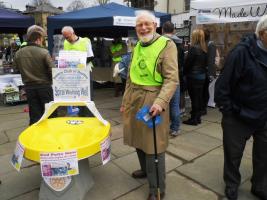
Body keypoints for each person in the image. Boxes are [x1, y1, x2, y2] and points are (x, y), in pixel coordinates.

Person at [120, 11, 178, 200]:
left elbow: (172, 79)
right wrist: (125, 102)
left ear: (155, 24)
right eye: (139, 25)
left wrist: (161, 103)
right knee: (138, 139)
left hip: (153, 100)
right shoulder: (137, 46)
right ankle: (146, 171)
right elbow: (130, 76)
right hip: (134, 98)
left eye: (147, 24)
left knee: (154, 146)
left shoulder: (167, 45)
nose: (143, 28)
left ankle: (157, 189)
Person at [215, 15, 267, 200]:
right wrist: (230, 111)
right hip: (237, 116)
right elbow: (221, 88)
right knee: (233, 155)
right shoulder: (241, 52)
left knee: (263, 156)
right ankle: (231, 185)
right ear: (262, 33)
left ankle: (259, 186)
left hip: (263, 116)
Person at [13, 25, 54, 125]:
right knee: (49, 114)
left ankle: (35, 138)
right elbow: (52, 70)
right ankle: (51, 136)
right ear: (39, 39)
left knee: (34, 114)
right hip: (44, 86)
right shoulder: (44, 52)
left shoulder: (18, 53)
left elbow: (16, 69)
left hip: (29, 88)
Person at [62, 26, 94, 116]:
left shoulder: (85, 41)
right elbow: (65, 56)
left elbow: (91, 57)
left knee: (87, 95)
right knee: (77, 95)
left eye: (68, 37)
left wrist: (79, 63)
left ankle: (89, 116)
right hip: (73, 73)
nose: (67, 39)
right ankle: (80, 114)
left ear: (73, 33)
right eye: (65, 37)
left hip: (85, 72)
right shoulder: (65, 42)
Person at [183, 29, 207, 125]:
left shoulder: (194, 49)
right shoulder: (204, 48)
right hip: (201, 76)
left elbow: (188, 64)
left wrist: (184, 72)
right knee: (198, 98)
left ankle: (194, 119)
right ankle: (197, 118)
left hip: (193, 77)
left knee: (194, 99)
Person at [162, 21, 182, 137]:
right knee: (175, 104)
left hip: (164, 77)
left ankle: (163, 127)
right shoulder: (179, 43)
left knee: (163, 104)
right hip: (176, 77)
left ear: (163, 30)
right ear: (173, 30)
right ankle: (175, 128)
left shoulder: (161, 43)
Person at [202, 29, 217, 115]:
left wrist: (210, 73)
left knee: (209, 90)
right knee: (207, 90)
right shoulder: (208, 44)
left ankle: (209, 104)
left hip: (209, 72)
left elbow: (211, 60)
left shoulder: (211, 45)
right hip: (208, 71)